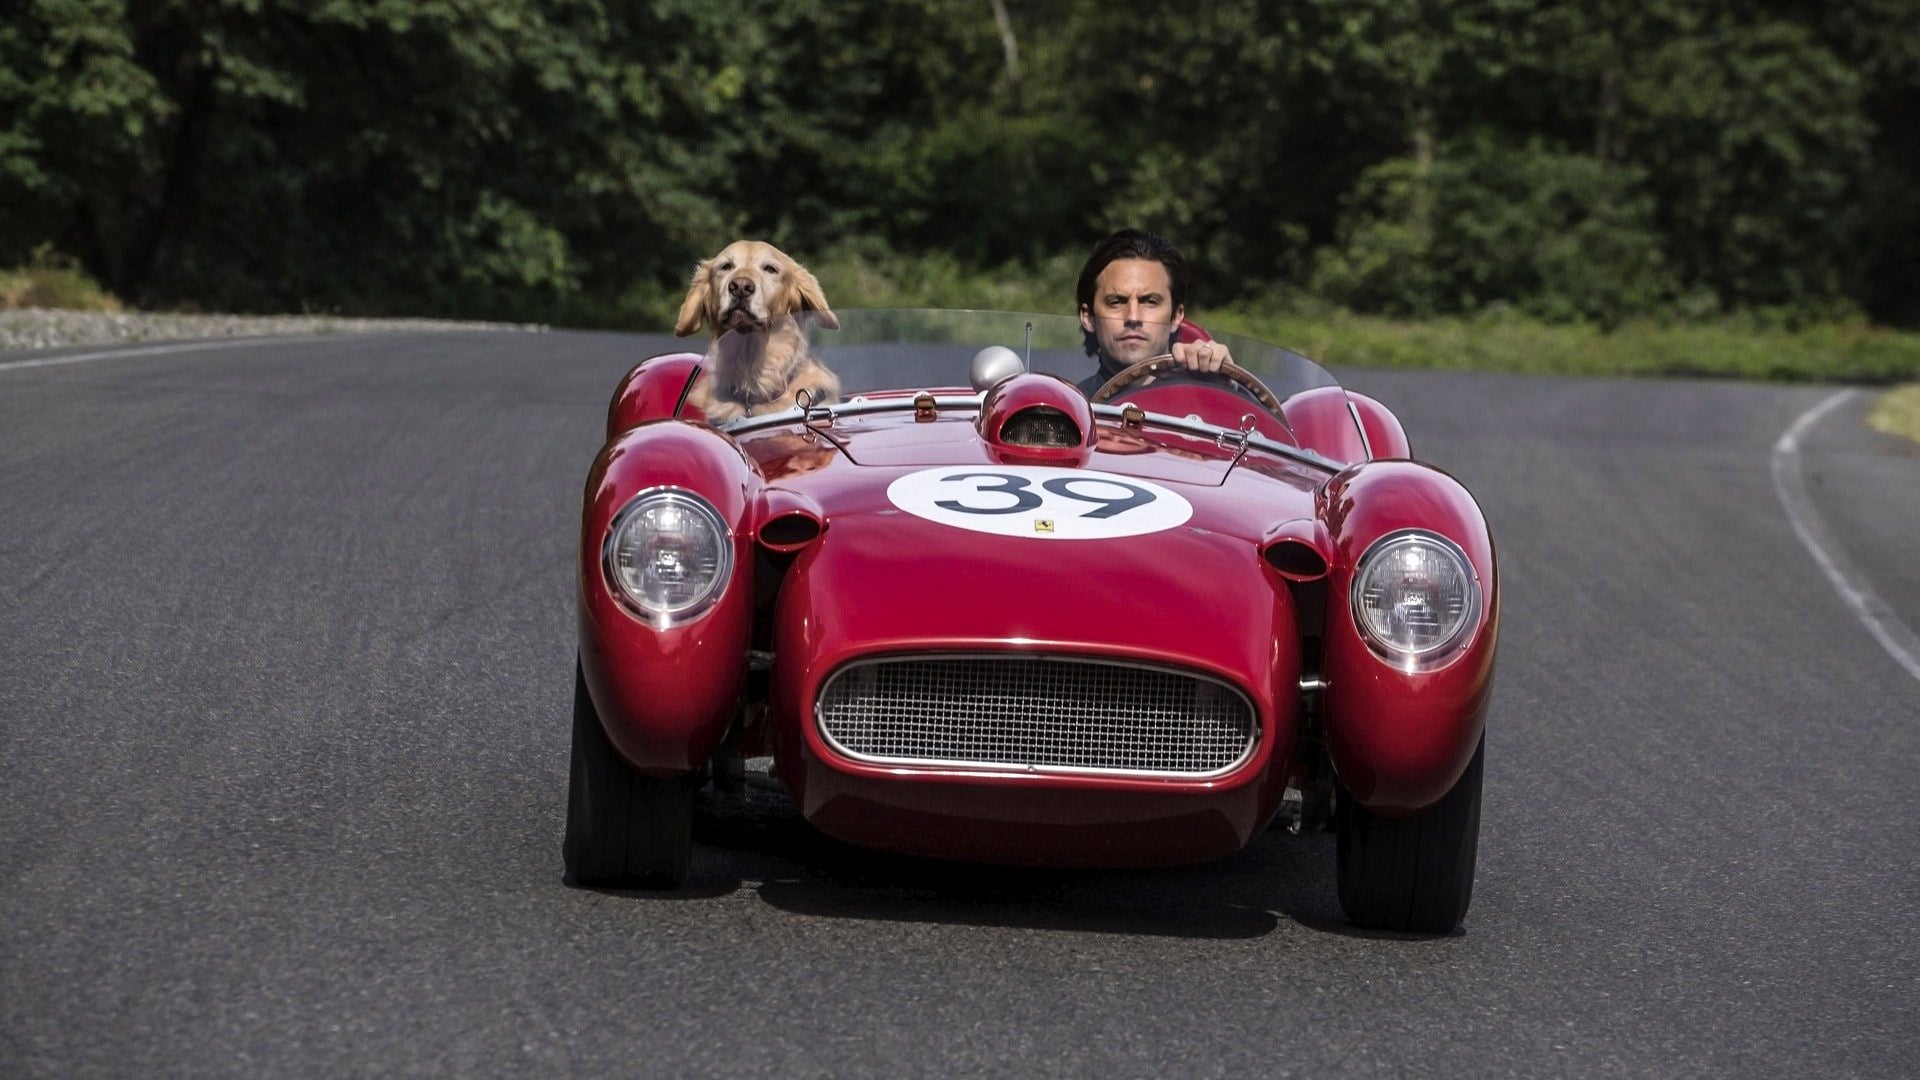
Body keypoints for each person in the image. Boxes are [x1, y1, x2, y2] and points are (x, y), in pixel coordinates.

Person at [1074, 229, 1233, 397]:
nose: (1133, 317)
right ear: (1088, 317)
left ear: (1176, 316)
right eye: (1116, 302)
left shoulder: (1205, 398)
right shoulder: (1071, 408)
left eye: (1150, 302)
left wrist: (1226, 389)